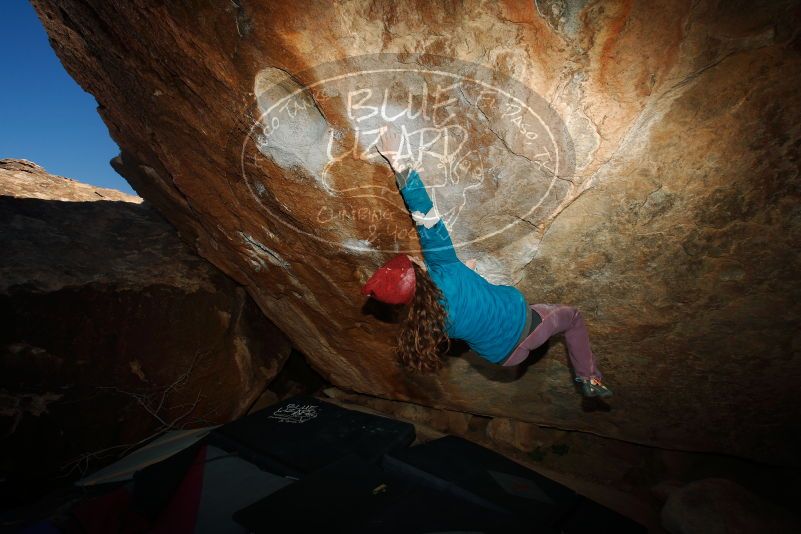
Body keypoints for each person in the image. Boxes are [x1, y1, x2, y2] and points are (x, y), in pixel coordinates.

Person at [361, 129, 612, 398]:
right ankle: (589, 377)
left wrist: (465, 277)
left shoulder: (426, 319)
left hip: (503, 358)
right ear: (417, 269)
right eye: (411, 260)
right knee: (572, 317)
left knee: (487, 313)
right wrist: (396, 160)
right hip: (529, 326)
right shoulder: (443, 264)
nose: (413, 256)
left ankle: (583, 377)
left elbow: (450, 304)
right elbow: (424, 214)